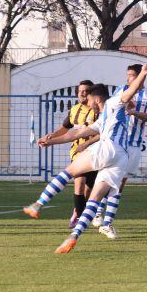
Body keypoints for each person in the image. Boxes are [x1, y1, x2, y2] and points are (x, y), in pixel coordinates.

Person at [23, 60, 147, 253]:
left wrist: (143, 73)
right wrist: (51, 140)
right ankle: (73, 236)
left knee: (69, 171)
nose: (88, 105)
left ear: (96, 100)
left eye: (89, 101)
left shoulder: (113, 103)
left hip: (108, 148)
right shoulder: (104, 120)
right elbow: (76, 133)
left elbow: (130, 92)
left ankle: (37, 205)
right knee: (94, 200)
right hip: (121, 158)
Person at [92, 64, 147, 239]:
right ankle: (99, 214)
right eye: (128, 75)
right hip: (114, 143)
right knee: (106, 179)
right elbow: (110, 110)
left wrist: (134, 112)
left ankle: (106, 223)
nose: (128, 78)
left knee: (119, 184)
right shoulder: (121, 90)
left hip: (133, 145)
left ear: (140, 77)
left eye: (131, 75)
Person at [40, 80, 98, 228]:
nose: (82, 93)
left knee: (89, 188)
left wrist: (87, 143)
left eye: (85, 91)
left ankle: (77, 210)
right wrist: (51, 136)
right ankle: (80, 218)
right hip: (77, 152)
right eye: (80, 91)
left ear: (91, 93)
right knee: (79, 184)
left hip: (95, 153)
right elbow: (65, 128)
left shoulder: (97, 110)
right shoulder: (74, 110)